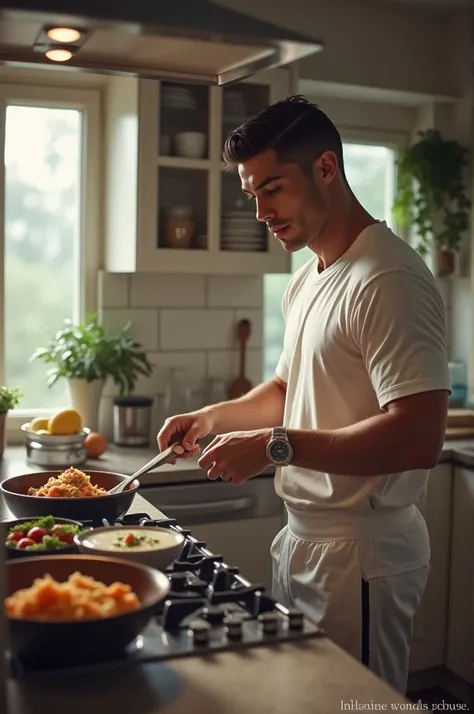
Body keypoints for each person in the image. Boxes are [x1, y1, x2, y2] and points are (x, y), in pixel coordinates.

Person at [157, 95, 451, 695]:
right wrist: (210, 419)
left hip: (362, 554)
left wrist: (275, 446)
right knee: (303, 701)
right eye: (252, 195)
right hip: (306, 540)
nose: (262, 211)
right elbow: (289, 389)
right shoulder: (310, 277)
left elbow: (420, 436)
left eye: (273, 189)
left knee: (354, 705)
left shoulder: (388, 280)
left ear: (325, 168)